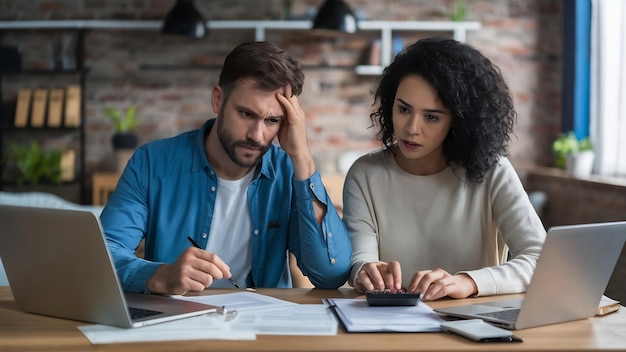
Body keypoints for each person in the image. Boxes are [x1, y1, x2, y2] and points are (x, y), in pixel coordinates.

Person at [101, 41, 352, 295]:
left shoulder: (289, 172)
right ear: (218, 100)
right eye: (246, 114)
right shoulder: (152, 162)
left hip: (265, 326)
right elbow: (105, 252)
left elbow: (331, 273)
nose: (257, 135)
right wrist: (160, 276)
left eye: (272, 121)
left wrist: (302, 157)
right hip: (177, 324)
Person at [343, 37, 546, 301]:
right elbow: (360, 259)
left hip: (476, 329)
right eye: (404, 109)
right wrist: (364, 272)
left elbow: (540, 259)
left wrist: (469, 282)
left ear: (458, 121)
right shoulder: (365, 174)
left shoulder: (493, 172)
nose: (412, 127)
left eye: (431, 117)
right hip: (389, 329)